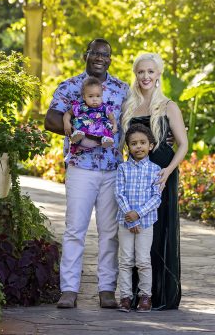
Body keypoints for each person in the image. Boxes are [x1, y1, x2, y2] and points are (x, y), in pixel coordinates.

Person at [44, 38, 129, 309]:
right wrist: (81, 135)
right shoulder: (70, 86)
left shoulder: (122, 89)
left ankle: (106, 289)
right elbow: (51, 119)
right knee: (74, 230)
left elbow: (137, 121)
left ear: (111, 59)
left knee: (109, 231)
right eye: (95, 53)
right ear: (86, 55)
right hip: (81, 167)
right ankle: (69, 290)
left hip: (112, 168)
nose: (100, 58)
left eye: (105, 54)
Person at [121, 52, 188, 310]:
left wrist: (168, 171)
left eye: (150, 71)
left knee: (160, 231)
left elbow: (183, 144)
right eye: (141, 72)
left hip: (161, 175)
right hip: (135, 179)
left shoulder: (169, 106)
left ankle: (159, 294)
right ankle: (137, 294)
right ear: (135, 75)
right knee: (136, 231)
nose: (145, 76)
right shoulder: (129, 105)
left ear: (158, 74)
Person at [115, 123, 162, 313]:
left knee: (143, 260)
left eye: (143, 142)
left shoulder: (156, 169)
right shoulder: (123, 169)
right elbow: (119, 193)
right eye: (134, 143)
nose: (139, 147)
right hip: (125, 222)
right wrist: (130, 218)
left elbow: (156, 197)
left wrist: (138, 215)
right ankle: (125, 297)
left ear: (151, 145)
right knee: (125, 260)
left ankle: (145, 297)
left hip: (146, 223)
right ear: (128, 147)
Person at [62, 76, 118, 153]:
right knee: (79, 120)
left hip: (99, 131)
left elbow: (112, 119)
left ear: (102, 95)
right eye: (91, 96)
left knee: (108, 125)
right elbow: (68, 113)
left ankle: (105, 139)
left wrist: (115, 126)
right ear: (84, 97)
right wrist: (66, 123)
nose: (95, 99)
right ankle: (77, 136)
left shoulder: (105, 107)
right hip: (85, 131)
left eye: (98, 96)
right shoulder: (81, 107)